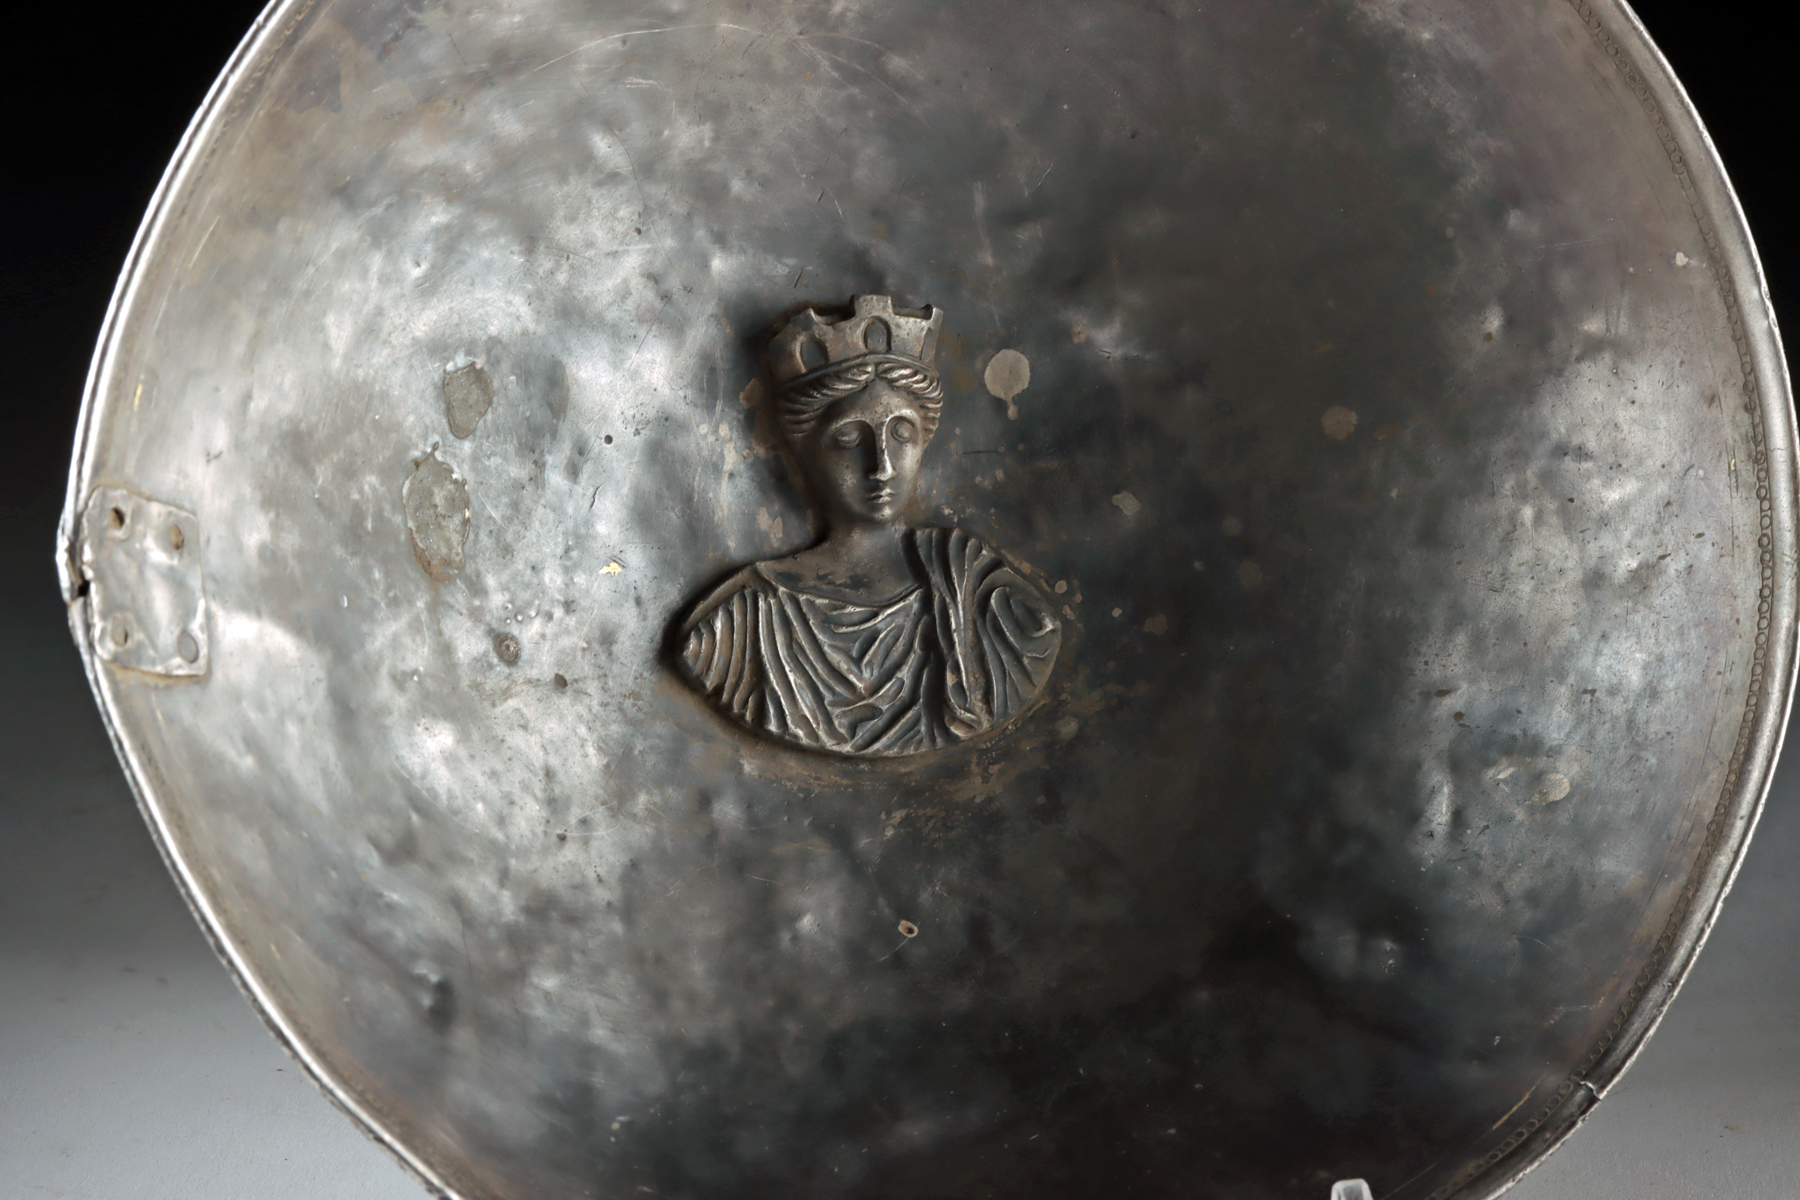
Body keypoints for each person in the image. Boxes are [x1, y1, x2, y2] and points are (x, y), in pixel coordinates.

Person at [675, 295, 1061, 757]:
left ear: (925, 440)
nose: (881, 465)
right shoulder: (740, 625)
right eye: (848, 437)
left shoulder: (984, 601)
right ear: (804, 451)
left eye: (902, 434)